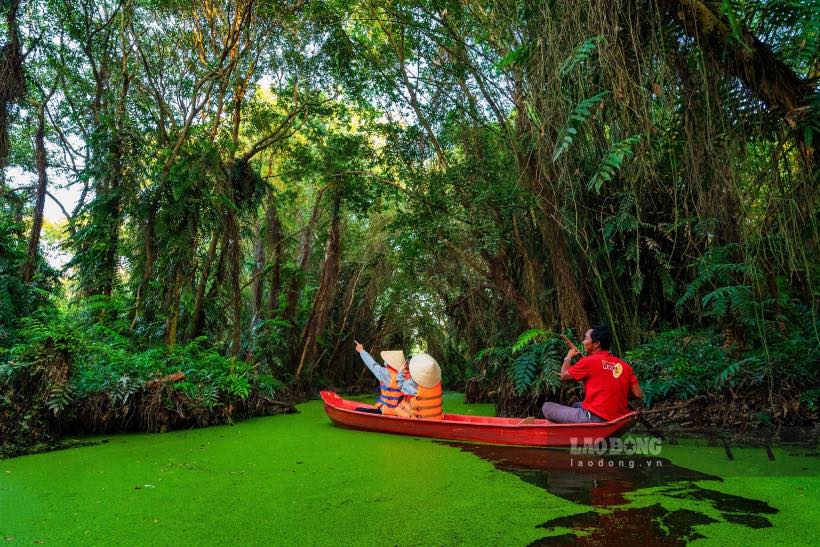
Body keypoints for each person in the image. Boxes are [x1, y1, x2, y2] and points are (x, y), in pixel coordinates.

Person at [541, 325, 642, 423]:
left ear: (596, 343)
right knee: (576, 405)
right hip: (619, 418)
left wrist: (569, 356)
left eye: (585, 338)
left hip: (595, 417)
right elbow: (638, 394)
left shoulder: (588, 362)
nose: (583, 342)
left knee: (547, 407)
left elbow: (563, 376)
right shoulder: (625, 366)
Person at [354, 341, 417, 415]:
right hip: (404, 412)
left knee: (357, 410)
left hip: (390, 412)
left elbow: (372, 365)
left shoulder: (386, 373)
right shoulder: (411, 375)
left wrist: (362, 351)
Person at [394, 353, 444, 420]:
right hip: (437, 417)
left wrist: (400, 373)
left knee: (401, 406)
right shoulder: (438, 382)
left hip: (421, 420)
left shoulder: (414, 383)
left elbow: (401, 386)